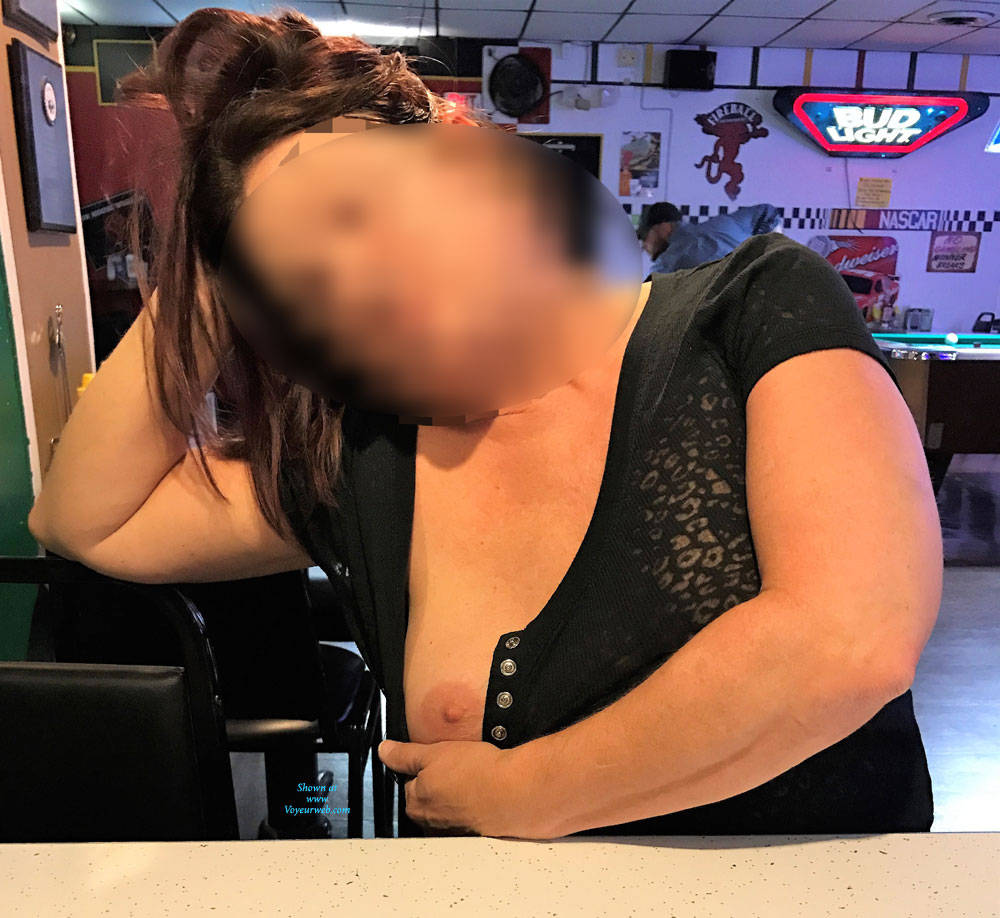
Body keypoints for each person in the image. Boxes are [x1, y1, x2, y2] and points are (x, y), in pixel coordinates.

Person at [27, 8, 942, 840]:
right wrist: (212, 257)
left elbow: (849, 640)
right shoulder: (360, 460)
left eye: (356, 207)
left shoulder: (754, 308)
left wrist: (532, 790)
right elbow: (85, 520)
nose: (356, 278)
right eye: (306, 282)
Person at [638, 200, 782, 278]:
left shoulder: (669, 263)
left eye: (645, 236)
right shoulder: (723, 224)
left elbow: (647, 304)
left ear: (663, 226)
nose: (644, 246)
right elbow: (768, 212)